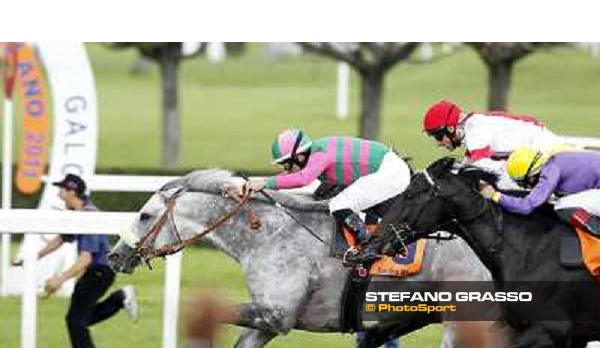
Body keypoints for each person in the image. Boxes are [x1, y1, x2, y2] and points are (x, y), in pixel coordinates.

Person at [20, 174, 139, 348]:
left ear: (71, 191)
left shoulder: (88, 216)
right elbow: (61, 239)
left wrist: (60, 279)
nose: (58, 193)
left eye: (61, 189)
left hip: (99, 271)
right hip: (99, 272)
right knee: (80, 319)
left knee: (75, 320)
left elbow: (85, 258)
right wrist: (32, 257)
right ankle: (119, 298)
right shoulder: (79, 213)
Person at [242, 129, 412, 247]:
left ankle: (369, 245)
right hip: (387, 169)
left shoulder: (320, 155)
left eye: (286, 165)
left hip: (389, 172)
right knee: (348, 201)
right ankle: (375, 238)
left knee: (338, 205)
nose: (285, 171)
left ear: (300, 156)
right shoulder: (317, 151)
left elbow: (303, 179)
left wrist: (265, 182)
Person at [422, 99, 568, 188]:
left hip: (550, 153)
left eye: (438, 136)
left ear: (450, 128)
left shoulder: (475, 129)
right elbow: (467, 166)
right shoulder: (473, 128)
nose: (438, 143)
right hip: (541, 152)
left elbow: (483, 168)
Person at [481, 147, 600, 236]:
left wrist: (495, 195)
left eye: (523, 182)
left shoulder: (550, 171)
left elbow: (527, 206)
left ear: (531, 176)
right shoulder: (556, 160)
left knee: (562, 206)